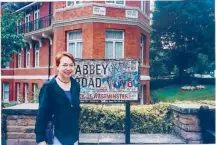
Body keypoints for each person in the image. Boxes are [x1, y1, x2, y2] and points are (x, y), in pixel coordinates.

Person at [35, 51, 80, 145]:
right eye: (65, 65)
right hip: (56, 137)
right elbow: (42, 114)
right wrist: (40, 139)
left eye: (71, 65)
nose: (68, 68)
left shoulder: (76, 85)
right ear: (58, 67)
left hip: (74, 137)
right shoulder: (49, 87)